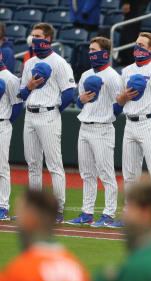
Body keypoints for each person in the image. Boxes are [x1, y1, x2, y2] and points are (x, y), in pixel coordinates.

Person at [112, 31, 151, 228]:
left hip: (150, 123)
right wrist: (122, 99)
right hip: (130, 122)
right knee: (130, 172)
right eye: (137, 44)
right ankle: (130, 213)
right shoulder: (127, 70)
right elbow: (120, 99)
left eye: (143, 45)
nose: (138, 48)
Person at [19, 23, 76, 223]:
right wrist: (29, 86)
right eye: (32, 35)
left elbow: (69, 94)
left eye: (38, 35)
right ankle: (34, 209)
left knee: (54, 165)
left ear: (48, 38)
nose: (34, 39)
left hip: (49, 114)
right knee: (33, 164)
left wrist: (53, 111)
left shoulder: (59, 62)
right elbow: (22, 93)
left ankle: (58, 210)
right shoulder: (29, 62)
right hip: (30, 114)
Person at [65, 36, 123, 227]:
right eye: (89, 50)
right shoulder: (85, 75)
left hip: (103, 128)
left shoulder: (114, 77)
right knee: (87, 173)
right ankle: (87, 213)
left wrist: (109, 113)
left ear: (104, 53)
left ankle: (108, 214)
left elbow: (119, 105)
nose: (90, 53)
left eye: (94, 50)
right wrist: (81, 99)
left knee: (106, 173)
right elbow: (80, 102)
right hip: (85, 126)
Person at [0, 51, 23, 220]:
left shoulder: (10, 79)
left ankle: (3, 207)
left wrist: (7, 123)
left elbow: (17, 107)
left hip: (2, 123)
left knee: (1, 167)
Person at [117, 0, 150, 66]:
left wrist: (127, 2)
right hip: (133, 9)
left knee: (131, 35)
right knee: (127, 37)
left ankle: (131, 61)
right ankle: (126, 61)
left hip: (137, 8)